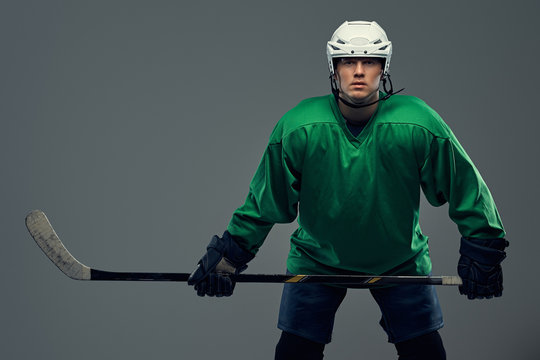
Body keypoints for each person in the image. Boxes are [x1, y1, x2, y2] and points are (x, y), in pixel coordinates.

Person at [187, 20, 508, 360]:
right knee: (294, 354)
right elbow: (266, 200)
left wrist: (483, 248)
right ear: (333, 67)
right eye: (347, 61)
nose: (358, 71)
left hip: (399, 260)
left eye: (369, 61)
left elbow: (465, 185)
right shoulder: (300, 126)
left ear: (383, 68)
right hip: (317, 260)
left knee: (426, 355)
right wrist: (229, 256)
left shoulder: (418, 123)